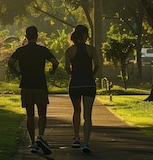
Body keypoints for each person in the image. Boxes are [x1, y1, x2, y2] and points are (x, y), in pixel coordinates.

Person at [8, 26, 60, 155]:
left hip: (26, 85)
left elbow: (10, 62)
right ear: (37, 36)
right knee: (42, 113)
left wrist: (17, 72)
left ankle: (32, 143)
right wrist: (52, 71)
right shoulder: (42, 50)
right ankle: (40, 136)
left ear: (26, 36)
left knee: (30, 115)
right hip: (40, 84)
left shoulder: (21, 51)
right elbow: (55, 62)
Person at [64, 24, 101, 153]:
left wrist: (74, 74)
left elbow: (67, 68)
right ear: (85, 36)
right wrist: (91, 74)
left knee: (76, 111)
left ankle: (75, 138)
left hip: (75, 84)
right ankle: (86, 143)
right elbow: (97, 65)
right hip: (89, 84)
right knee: (87, 115)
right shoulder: (91, 50)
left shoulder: (70, 51)